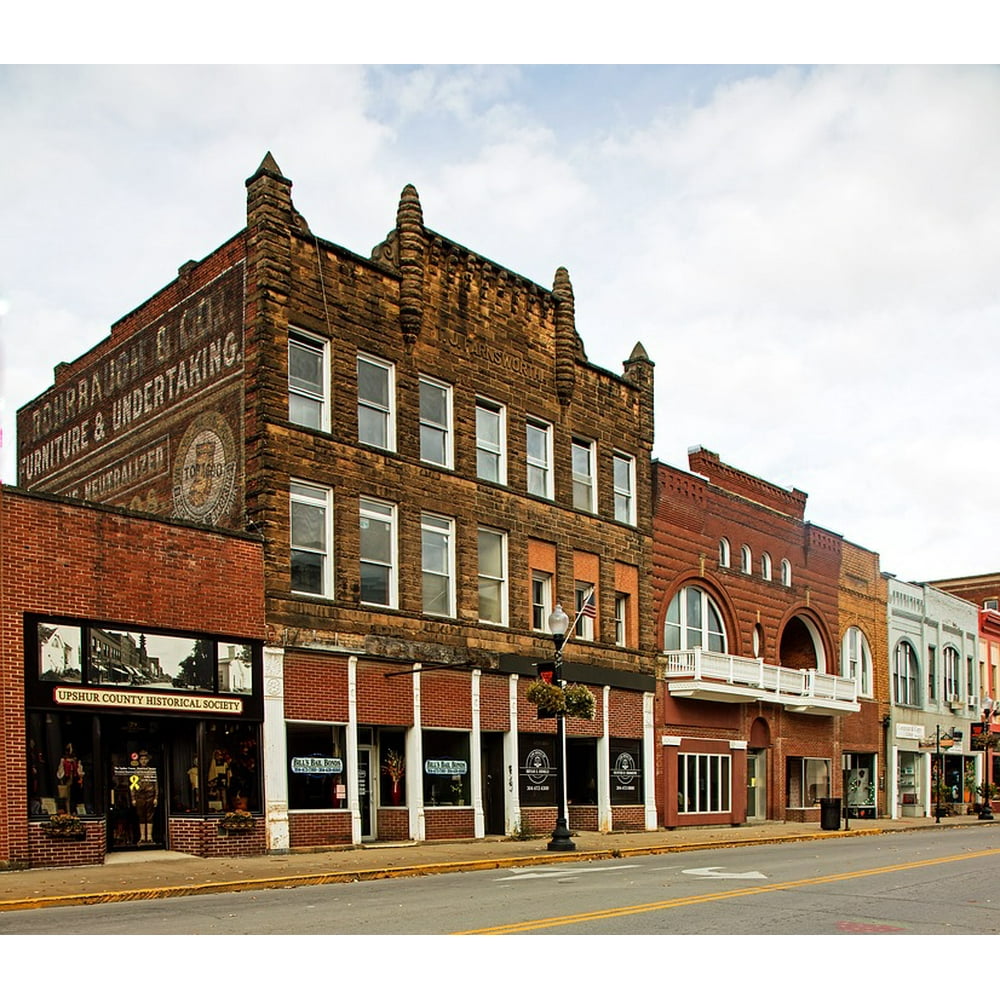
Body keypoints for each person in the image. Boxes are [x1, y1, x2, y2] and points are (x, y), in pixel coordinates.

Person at [130, 749, 158, 844]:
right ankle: (142, 837)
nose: (143, 761)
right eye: (142, 759)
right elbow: (133, 786)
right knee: (141, 816)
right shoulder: (136, 772)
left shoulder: (152, 771)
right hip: (140, 796)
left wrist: (156, 797)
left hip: (150, 795)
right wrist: (133, 798)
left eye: (145, 759)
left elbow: (156, 785)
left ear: (148, 760)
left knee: (150, 816)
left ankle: (149, 837)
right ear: (139, 760)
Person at [56, 743, 84, 814]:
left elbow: (79, 770)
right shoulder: (64, 761)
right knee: (67, 797)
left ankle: (74, 810)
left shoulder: (76, 761)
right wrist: (61, 778)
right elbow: (60, 771)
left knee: (75, 796)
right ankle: (68, 811)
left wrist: (80, 777)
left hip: (75, 780)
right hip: (67, 780)